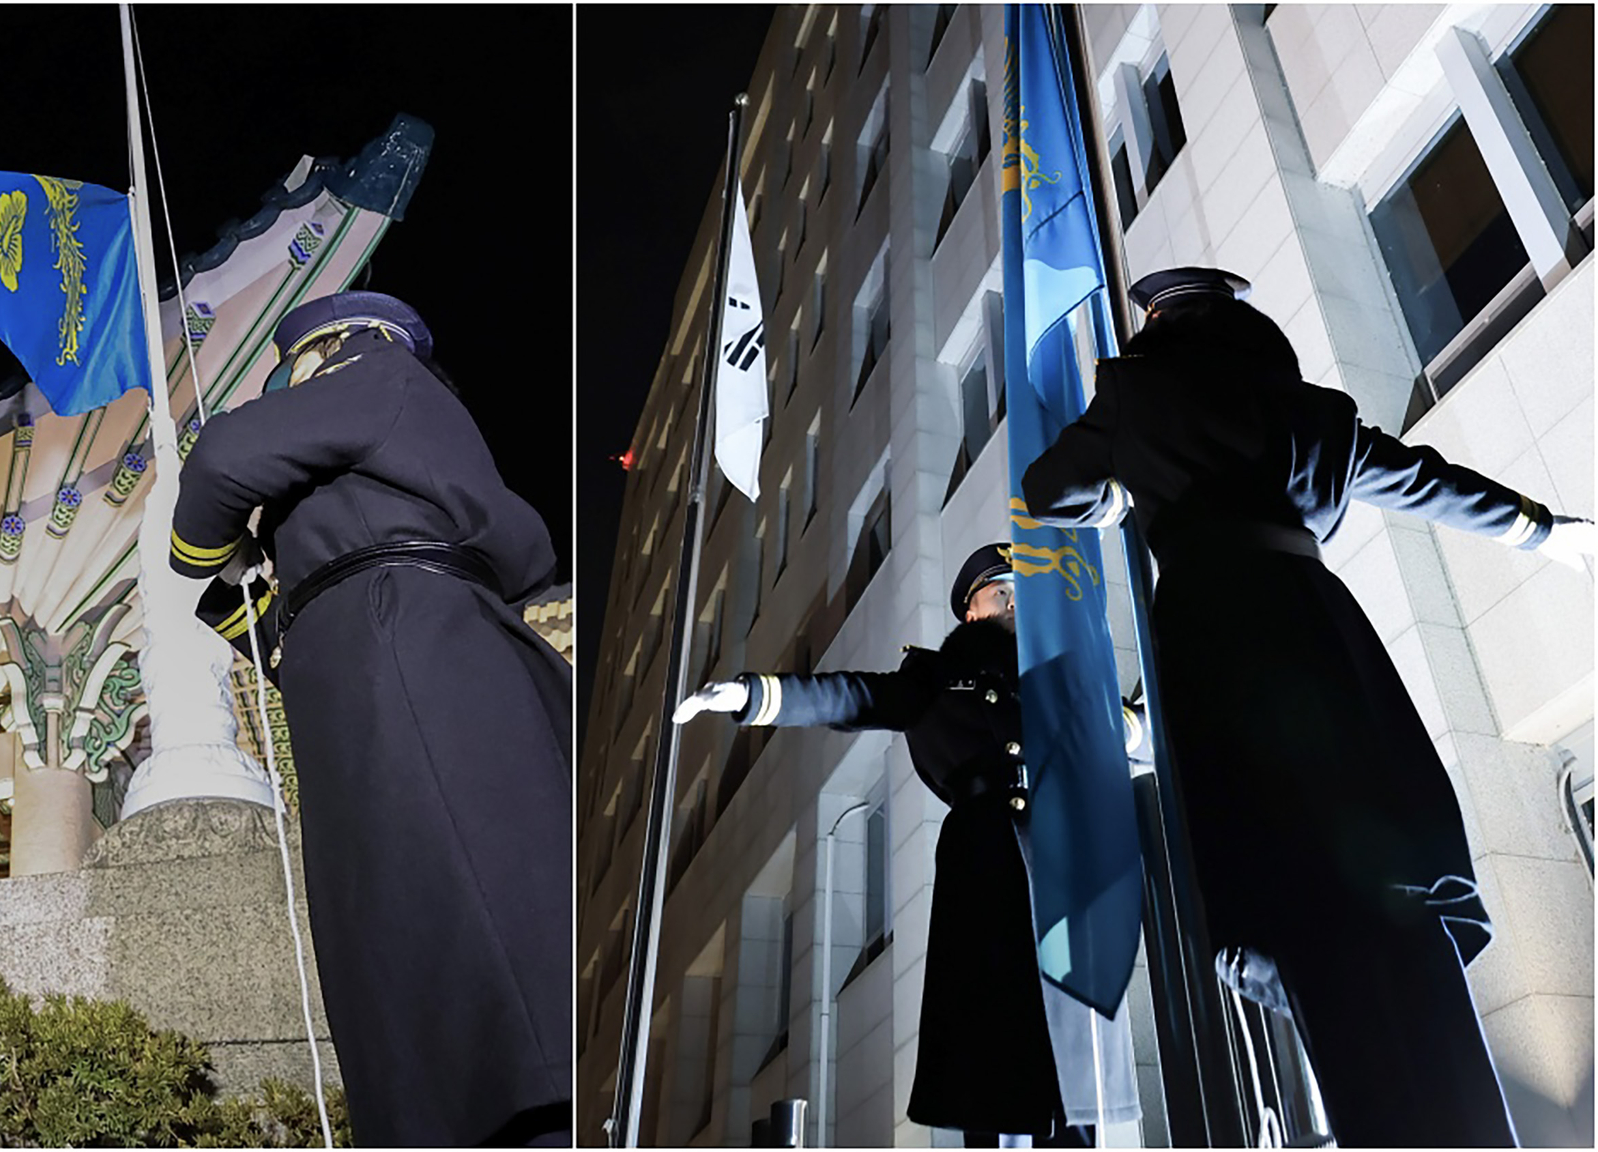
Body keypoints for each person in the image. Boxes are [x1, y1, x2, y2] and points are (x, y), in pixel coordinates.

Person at [1020, 267, 1596, 1147]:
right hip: (1317, 630)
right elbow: (1420, 479)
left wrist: (1117, 492)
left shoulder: (1136, 394)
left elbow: (1046, 488)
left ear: (1158, 321)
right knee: (1397, 903)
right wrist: (1539, 529)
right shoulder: (1304, 408)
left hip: (1214, 637)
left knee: (1297, 911)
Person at [168, 290, 572, 1147]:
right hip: (384, 644)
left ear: (322, 353)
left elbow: (224, 456)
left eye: (291, 373)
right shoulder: (375, 471)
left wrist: (202, 548)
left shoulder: (377, 370)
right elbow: (294, 612)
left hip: (402, 645)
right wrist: (252, 579)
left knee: (455, 911)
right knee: (408, 926)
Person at [675, 544, 1141, 1146]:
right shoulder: (939, 677)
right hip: (987, 857)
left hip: (1065, 858)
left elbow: (1133, 731)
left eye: (1022, 594)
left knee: (1077, 1055)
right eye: (1003, 594)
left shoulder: (1060, 676)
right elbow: (854, 697)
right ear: (972, 611)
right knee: (994, 1053)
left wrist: (1119, 724)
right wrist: (752, 696)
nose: (1016, 606)